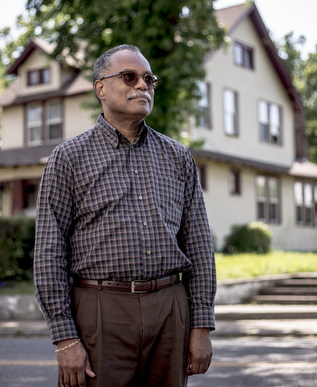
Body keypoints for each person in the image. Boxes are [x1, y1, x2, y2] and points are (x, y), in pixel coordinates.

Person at [34, 44, 216, 387]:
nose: (142, 85)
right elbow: (48, 253)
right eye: (129, 76)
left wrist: (201, 326)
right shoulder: (68, 158)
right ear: (100, 87)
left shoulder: (178, 157)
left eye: (149, 78)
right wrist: (65, 339)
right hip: (100, 312)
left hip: (170, 311)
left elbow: (200, 246)